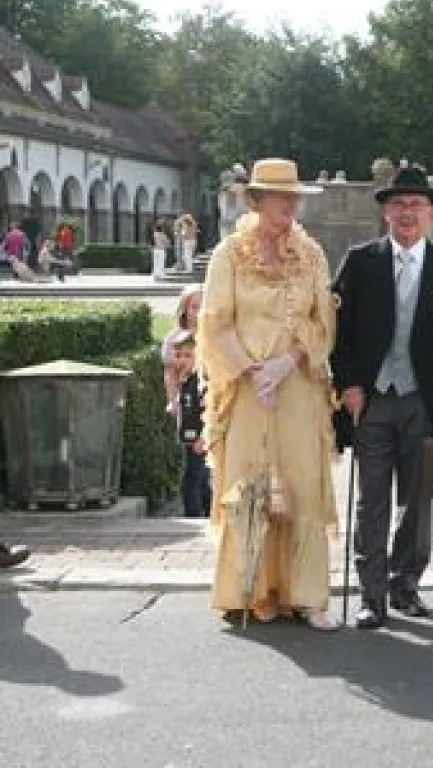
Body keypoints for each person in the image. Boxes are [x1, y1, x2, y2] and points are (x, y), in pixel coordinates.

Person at [196, 158, 338, 630]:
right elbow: (215, 321)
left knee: (301, 484)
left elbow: (322, 321)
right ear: (255, 200)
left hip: (296, 387)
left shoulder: (312, 253)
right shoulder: (228, 254)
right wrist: (253, 371)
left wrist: (288, 362)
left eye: (295, 197)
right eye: (281, 196)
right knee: (248, 484)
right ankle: (247, 588)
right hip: (247, 389)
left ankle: (307, 593)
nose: (290, 205)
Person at [330, 166, 433, 630]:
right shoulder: (360, 262)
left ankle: (406, 584)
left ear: (430, 212)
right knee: (372, 500)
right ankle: (372, 594)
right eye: (399, 204)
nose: (408, 212)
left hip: (423, 402)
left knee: (417, 500)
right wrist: (347, 384)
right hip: (371, 399)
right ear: (387, 211)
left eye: (417, 204)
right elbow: (337, 331)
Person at [174, 333, 213, 519]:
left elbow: (209, 410)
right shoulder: (186, 380)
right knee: (202, 479)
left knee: (192, 479)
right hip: (190, 439)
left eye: (188, 356)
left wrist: (203, 436)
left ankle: (193, 516)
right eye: (178, 355)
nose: (182, 360)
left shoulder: (201, 382)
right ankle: (209, 512)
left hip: (199, 439)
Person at [162, 285, 204, 415]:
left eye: (203, 307)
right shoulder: (174, 338)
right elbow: (170, 372)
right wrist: (173, 400)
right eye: (194, 307)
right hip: (187, 398)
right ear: (185, 309)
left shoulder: (217, 337)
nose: (199, 313)